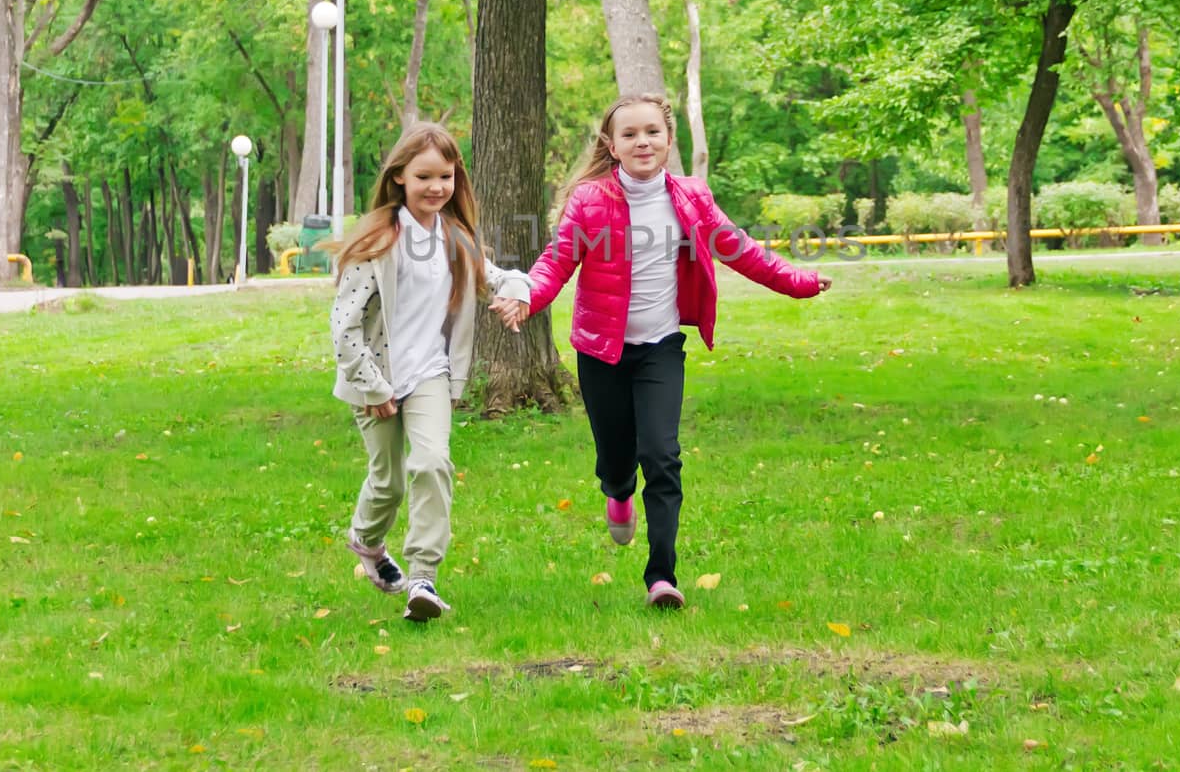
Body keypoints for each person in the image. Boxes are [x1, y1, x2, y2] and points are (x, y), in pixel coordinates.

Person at [520, 94, 831, 609]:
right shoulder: (589, 199)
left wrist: (798, 282)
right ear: (612, 145)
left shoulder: (691, 197)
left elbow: (741, 249)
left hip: (661, 347)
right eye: (629, 134)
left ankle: (661, 577)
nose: (642, 141)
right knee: (617, 460)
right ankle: (617, 493)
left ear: (668, 140)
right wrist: (526, 297)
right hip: (602, 351)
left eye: (652, 133)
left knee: (662, 456)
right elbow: (556, 261)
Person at [329, 122, 530, 622]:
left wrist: (519, 289)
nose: (437, 187)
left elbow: (492, 277)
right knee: (389, 482)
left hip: (430, 375)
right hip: (373, 375)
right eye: (424, 177)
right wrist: (373, 385)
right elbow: (345, 327)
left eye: (446, 176)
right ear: (399, 177)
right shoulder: (376, 240)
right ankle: (367, 541)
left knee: (433, 463)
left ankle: (423, 578)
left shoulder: (455, 237)